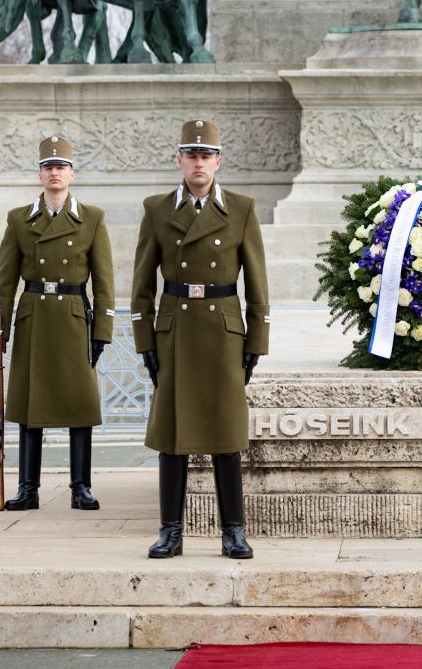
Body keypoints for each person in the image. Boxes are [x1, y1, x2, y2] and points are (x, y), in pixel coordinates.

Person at [131, 119, 270, 559]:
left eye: (206, 155)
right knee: (172, 436)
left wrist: (255, 343)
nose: (198, 162)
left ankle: (233, 531)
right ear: (179, 160)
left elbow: (258, 283)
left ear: (218, 161)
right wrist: (145, 342)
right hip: (175, 331)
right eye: (191, 155)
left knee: (226, 435)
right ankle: (171, 531)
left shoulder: (242, 208)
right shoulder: (156, 209)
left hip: (223, 330)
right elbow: (140, 286)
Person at [0, 135, 115, 511]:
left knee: (80, 405)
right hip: (34, 318)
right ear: (40, 175)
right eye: (48, 167)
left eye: (61, 167)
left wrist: (103, 330)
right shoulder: (19, 219)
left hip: (74, 317)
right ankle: (28, 489)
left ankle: (81, 487)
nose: (55, 173)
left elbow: (104, 282)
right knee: (30, 407)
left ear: (72, 174)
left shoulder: (92, 218)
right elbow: (4, 280)